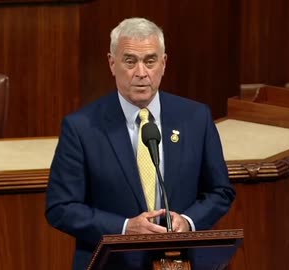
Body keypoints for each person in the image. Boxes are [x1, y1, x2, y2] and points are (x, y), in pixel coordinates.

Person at [45, 17, 235, 269]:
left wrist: (188, 221)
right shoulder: (81, 127)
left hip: (179, 262)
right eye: (130, 61)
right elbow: (61, 208)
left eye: (150, 61)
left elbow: (220, 191)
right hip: (111, 264)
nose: (141, 73)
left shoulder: (195, 118)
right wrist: (124, 228)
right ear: (112, 64)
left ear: (164, 63)